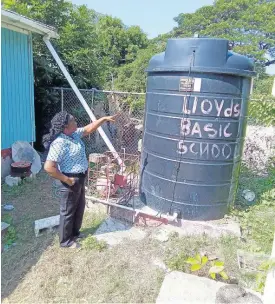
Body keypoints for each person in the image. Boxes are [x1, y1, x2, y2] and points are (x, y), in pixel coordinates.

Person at [43, 111, 117, 248]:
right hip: (70, 180)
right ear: (65, 126)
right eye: (73, 121)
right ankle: (65, 241)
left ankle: (75, 233)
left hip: (80, 178)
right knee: (67, 211)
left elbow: (89, 128)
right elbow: (49, 167)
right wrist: (67, 180)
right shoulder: (59, 142)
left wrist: (104, 119)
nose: (76, 122)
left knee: (79, 207)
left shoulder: (74, 134)